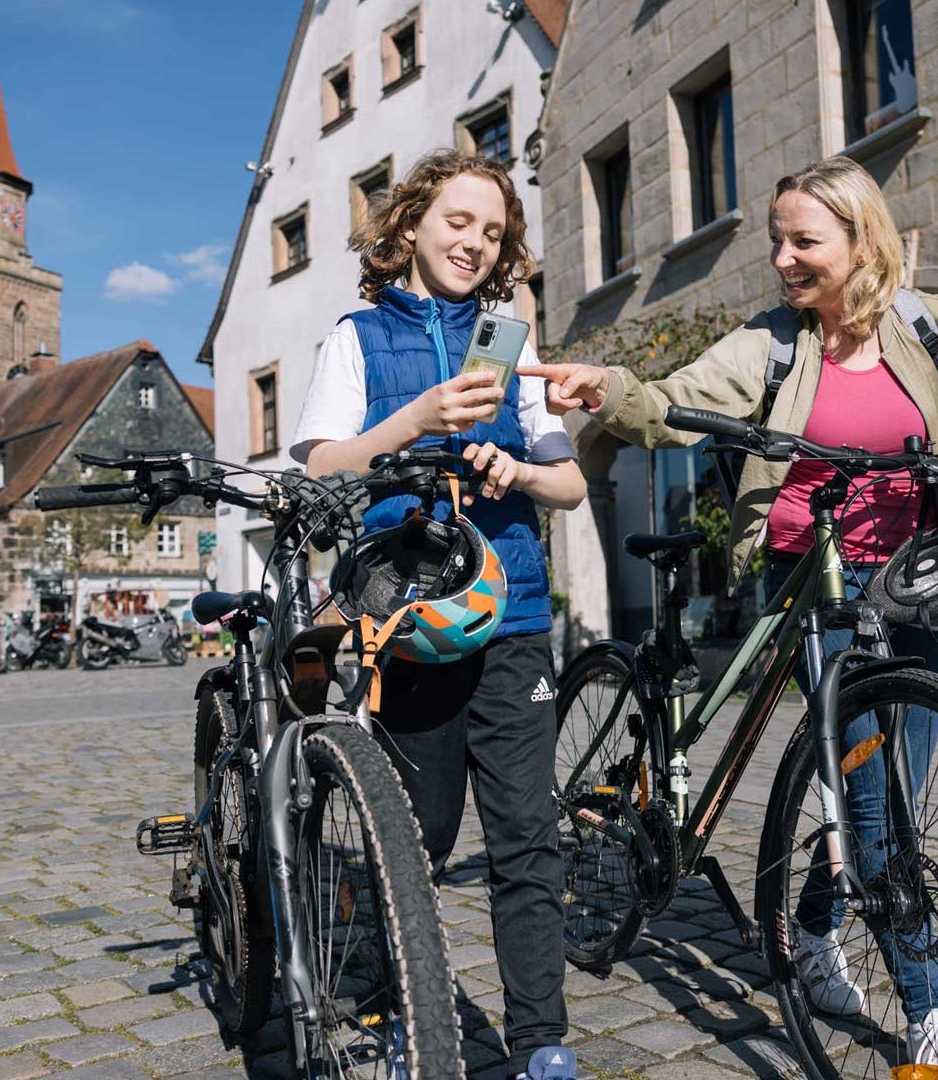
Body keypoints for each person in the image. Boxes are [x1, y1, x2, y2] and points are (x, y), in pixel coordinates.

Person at [525, 156, 938, 1080]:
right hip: (811, 575)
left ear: (861, 242)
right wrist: (608, 389)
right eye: (776, 241)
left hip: (919, 575)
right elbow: (678, 402)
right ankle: (930, 1010)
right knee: (872, 803)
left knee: (895, 783)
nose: (783, 258)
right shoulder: (773, 343)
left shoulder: (928, 323)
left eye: (803, 241)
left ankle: (817, 931)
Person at [291, 149, 585, 1080]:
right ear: (412, 224)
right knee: (420, 830)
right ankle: (395, 997)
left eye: (493, 231)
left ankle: (541, 1041)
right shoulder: (357, 337)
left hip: (513, 611)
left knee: (527, 837)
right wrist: (413, 419)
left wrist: (521, 469)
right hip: (409, 616)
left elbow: (571, 483)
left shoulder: (511, 341)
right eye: (458, 221)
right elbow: (319, 469)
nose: (474, 242)